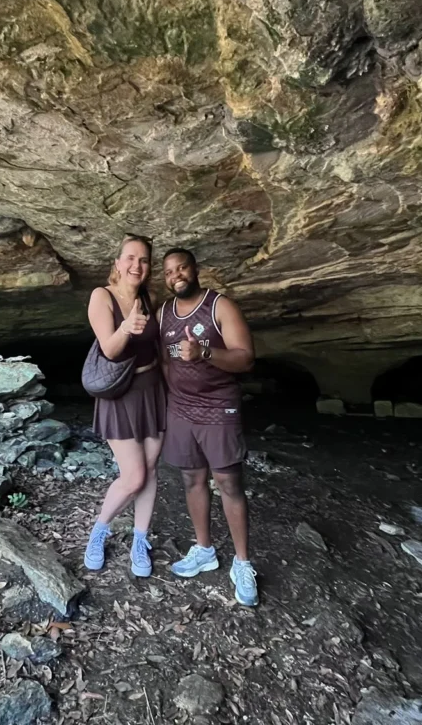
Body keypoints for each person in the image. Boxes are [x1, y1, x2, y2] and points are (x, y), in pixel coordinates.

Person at [158, 247, 259, 606]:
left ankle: (243, 562)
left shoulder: (220, 307)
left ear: (195, 269)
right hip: (182, 409)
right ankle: (204, 549)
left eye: (181, 267)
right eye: (169, 272)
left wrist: (204, 353)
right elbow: (165, 363)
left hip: (219, 406)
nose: (176, 275)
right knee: (191, 478)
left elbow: (245, 358)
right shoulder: (163, 315)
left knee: (229, 482)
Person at [83, 235, 166, 578]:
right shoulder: (101, 297)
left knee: (150, 471)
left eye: (144, 260)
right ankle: (99, 531)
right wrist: (127, 327)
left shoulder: (151, 298)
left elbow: (161, 347)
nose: (137, 265)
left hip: (153, 390)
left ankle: (139, 539)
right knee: (133, 476)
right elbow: (111, 349)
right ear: (117, 263)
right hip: (121, 394)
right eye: (130, 258)